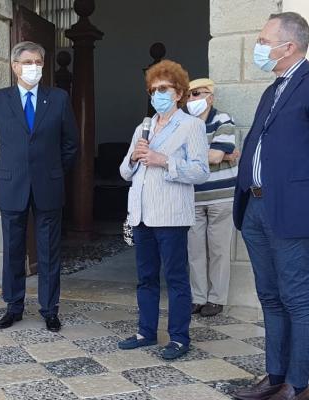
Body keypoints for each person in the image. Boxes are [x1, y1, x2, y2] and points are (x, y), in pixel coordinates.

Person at [231, 12, 309, 400]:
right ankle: (275, 375)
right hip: (255, 207)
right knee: (270, 296)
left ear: (289, 46)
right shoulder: (273, 90)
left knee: (297, 298)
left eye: (264, 40)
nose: (258, 47)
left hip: (294, 211)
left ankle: (297, 385)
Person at [0, 41, 78, 332]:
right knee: (12, 250)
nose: (33, 67)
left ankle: (50, 309)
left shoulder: (58, 98)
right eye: (27, 62)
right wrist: (7, 171)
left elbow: (71, 144)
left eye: (38, 62)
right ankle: (14, 306)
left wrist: (54, 171)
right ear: (15, 67)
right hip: (13, 186)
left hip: (49, 186)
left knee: (49, 252)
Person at [117, 60, 210, 360]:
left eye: (164, 89)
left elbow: (200, 171)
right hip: (142, 214)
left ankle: (179, 338)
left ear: (179, 93)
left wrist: (164, 161)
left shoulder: (191, 126)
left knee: (176, 278)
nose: (157, 94)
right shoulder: (142, 127)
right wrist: (134, 158)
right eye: (153, 89)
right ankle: (145, 331)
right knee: (145, 277)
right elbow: (124, 172)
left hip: (170, 216)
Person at [185, 78, 238, 318]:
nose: (192, 99)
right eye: (189, 95)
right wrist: (224, 155)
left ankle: (216, 299)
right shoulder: (184, 123)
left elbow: (215, 156)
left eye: (197, 93)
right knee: (194, 251)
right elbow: (171, 154)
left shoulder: (222, 119)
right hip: (192, 196)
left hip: (221, 197)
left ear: (210, 97)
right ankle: (197, 298)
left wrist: (215, 155)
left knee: (219, 250)